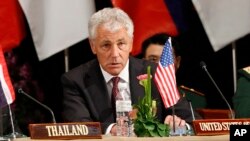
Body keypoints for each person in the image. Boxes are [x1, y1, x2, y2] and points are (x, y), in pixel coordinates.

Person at [61, 7, 200, 135]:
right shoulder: (75, 80)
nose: (115, 54)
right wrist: (112, 129)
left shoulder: (156, 72)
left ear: (131, 43)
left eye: (121, 44)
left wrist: (181, 125)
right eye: (106, 45)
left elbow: (194, 121)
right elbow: (79, 127)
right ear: (93, 46)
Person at [141, 33, 207, 110]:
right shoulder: (131, 96)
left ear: (178, 62)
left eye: (167, 59)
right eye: (153, 59)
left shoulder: (195, 100)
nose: (160, 66)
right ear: (143, 64)